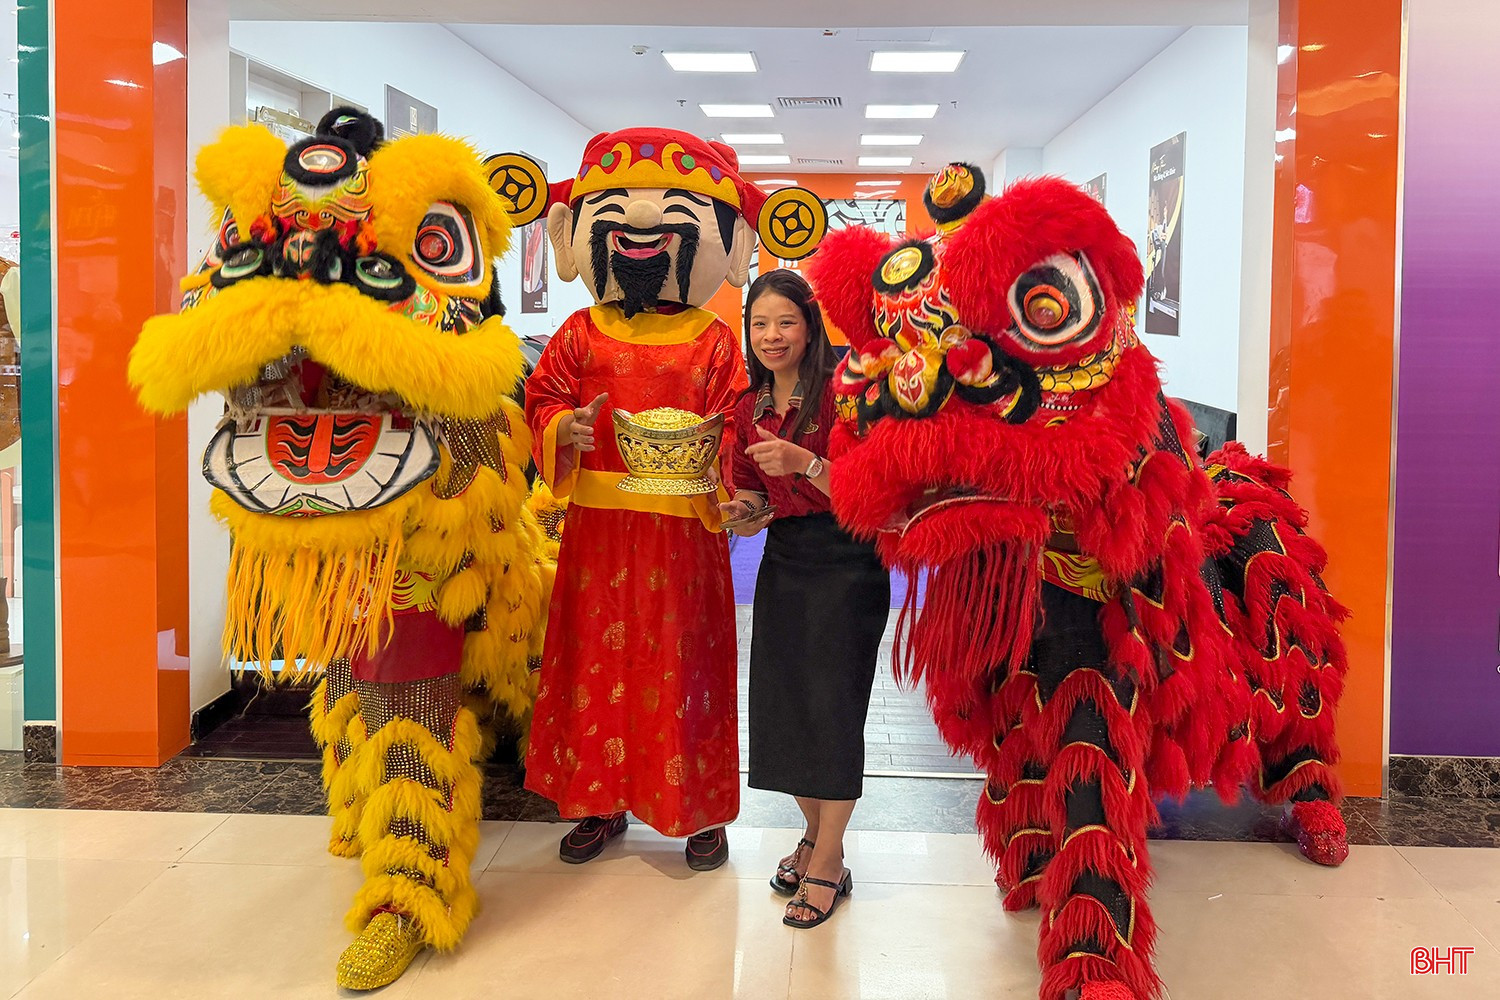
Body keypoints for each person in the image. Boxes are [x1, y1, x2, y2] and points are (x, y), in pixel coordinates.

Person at [524, 128, 825, 871]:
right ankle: (598, 802)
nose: (640, 234)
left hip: (684, 534)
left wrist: (732, 485)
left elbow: (738, 421)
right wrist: (564, 426)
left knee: (684, 668)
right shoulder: (578, 332)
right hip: (598, 532)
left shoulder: (717, 340)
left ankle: (700, 812)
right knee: (594, 667)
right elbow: (543, 396)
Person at [721, 268, 890, 928]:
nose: (771, 335)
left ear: (811, 326)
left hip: (850, 560)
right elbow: (754, 495)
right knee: (785, 707)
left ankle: (827, 859)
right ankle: (816, 836)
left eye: (785, 321)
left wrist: (810, 464)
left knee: (833, 709)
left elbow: (879, 490)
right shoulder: (748, 408)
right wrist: (740, 514)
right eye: (759, 323)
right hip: (785, 560)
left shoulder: (850, 390)